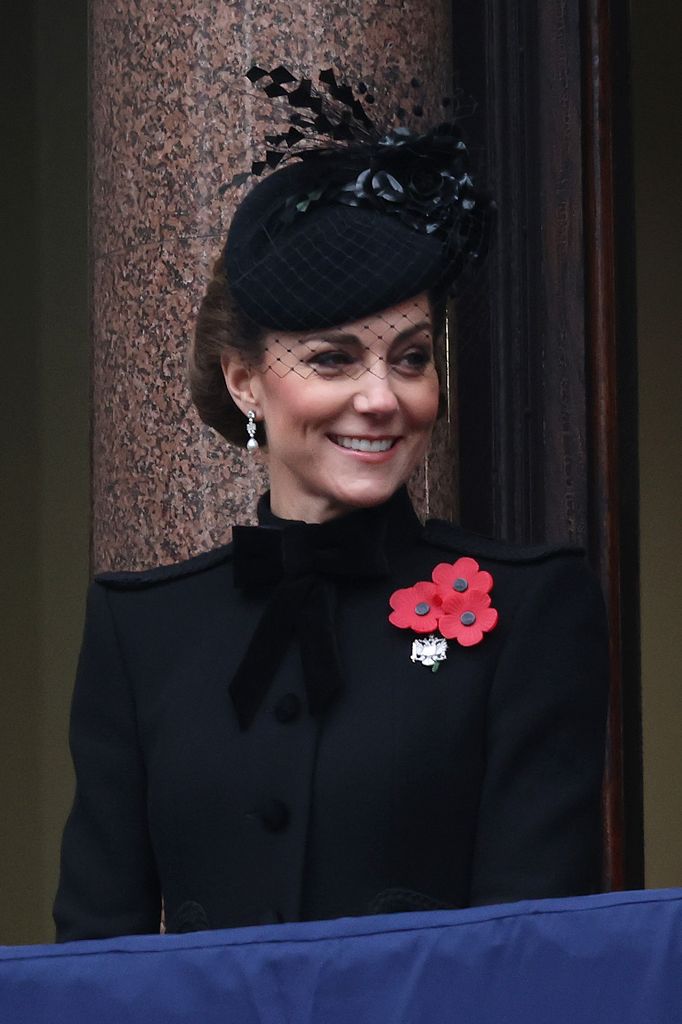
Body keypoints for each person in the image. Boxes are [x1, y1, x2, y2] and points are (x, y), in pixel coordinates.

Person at [54, 68, 609, 941]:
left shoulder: (533, 610)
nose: (383, 398)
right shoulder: (142, 631)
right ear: (245, 382)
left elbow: (531, 955)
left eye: (413, 357)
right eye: (333, 359)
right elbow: (95, 957)